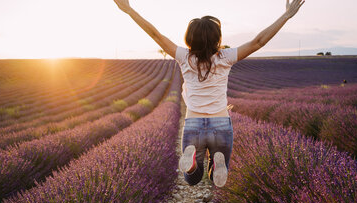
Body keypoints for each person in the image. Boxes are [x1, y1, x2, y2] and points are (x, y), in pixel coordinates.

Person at [113, 0, 305, 187]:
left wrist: (130, 10)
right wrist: (286, 16)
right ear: (217, 38)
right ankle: (217, 161)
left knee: (192, 179)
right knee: (216, 178)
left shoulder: (184, 57)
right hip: (221, 123)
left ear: (190, 38)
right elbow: (258, 42)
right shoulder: (226, 57)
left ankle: (193, 161)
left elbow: (155, 35)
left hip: (193, 123)